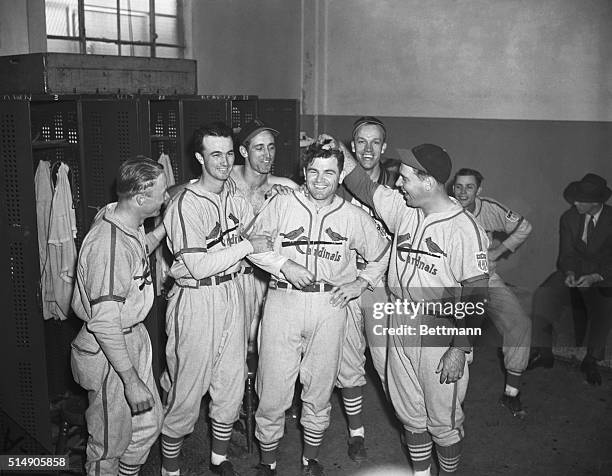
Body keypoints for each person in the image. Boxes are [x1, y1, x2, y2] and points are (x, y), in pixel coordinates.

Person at [338, 138, 489, 476]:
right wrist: (338, 150)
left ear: (429, 181)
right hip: (399, 318)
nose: (398, 183)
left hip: (440, 329)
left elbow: (478, 294)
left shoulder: (464, 228)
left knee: (443, 421)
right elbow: (363, 184)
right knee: (409, 413)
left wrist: (459, 348)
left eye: (405, 178)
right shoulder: (405, 208)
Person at [246, 142, 391, 476]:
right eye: (313, 171)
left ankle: (309, 460)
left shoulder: (353, 216)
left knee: (319, 389)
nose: (320, 180)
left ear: (340, 174)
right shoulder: (282, 204)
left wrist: (361, 283)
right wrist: (283, 264)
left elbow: (381, 253)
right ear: (304, 173)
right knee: (271, 389)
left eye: (329, 172)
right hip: (284, 300)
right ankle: (267, 463)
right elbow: (252, 244)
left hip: (330, 305)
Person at [159, 122, 272, 476]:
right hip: (197, 298)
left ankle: (218, 460)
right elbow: (197, 266)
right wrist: (247, 246)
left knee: (231, 381)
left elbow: (257, 238)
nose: (224, 162)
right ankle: (170, 470)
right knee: (188, 389)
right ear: (199, 158)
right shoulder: (185, 204)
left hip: (232, 292)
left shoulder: (233, 197)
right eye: (215, 154)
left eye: (227, 152)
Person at [70, 156, 168, 476]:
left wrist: (167, 225)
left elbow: (139, 250)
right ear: (140, 199)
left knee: (147, 425)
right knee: (108, 443)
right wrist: (130, 381)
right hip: (111, 348)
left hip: (131, 336)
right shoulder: (108, 246)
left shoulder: (125, 218)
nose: (166, 197)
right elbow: (105, 322)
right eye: (162, 193)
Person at [334, 116, 399, 461]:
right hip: (344, 281)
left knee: (388, 359)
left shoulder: (397, 185)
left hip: (382, 283)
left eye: (375, 142)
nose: (368, 149)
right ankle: (356, 432)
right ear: (353, 144)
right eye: (361, 141)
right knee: (348, 363)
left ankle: (409, 425)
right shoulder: (336, 181)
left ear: (384, 147)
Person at [452, 168, 532, 417]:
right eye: (458, 186)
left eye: (469, 187)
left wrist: (498, 252)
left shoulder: (489, 208)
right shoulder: (444, 208)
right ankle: (455, 402)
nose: (463, 191)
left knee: (520, 325)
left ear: (479, 190)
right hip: (454, 284)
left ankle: (511, 393)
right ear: (451, 188)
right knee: (463, 340)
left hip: (487, 278)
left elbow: (524, 227)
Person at [529, 173, 612, 386]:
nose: (575, 203)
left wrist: (595, 277)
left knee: (604, 306)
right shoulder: (569, 217)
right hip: (574, 272)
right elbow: (566, 254)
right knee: (544, 294)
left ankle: (591, 361)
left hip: (603, 276)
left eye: (581, 200)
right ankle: (543, 352)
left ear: (596, 202)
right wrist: (569, 273)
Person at [233, 118, 299, 354]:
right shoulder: (225, 181)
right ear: (243, 151)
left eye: (271, 147)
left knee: (258, 345)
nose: (267, 155)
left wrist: (282, 201)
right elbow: (179, 193)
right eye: (259, 148)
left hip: (262, 276)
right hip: (227, 275)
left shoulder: (284, 186)